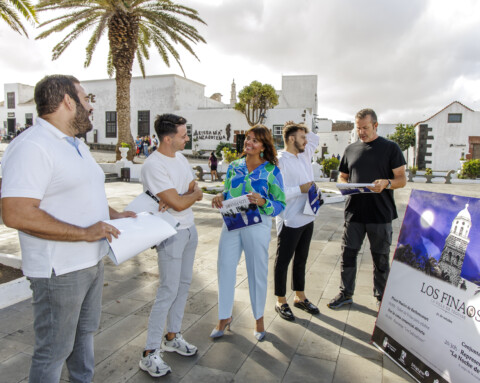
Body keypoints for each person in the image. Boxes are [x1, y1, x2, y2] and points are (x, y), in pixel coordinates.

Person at [1, 74, 135, 383]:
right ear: (67, 101)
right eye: (86, 100)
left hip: (91, 262)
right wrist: (85, 232)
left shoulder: (75, 145)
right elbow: (16, 213)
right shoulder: (32, 146)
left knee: (83, 339)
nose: (90, 107)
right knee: (53, 351)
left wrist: (115, 215)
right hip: (58, 271)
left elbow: (83, 193)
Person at [139, 113, 203, 378]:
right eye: (183, 135)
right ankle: (150, 352)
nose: (187, 138)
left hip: (190, 230)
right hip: (169, 233)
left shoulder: (180, 158)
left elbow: (191, 188)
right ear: (168, 138)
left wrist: (186, 196)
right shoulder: (153, 165)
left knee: (183, 286)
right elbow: (178, 202)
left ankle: (172, 337)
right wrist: (188, 197)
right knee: (167, 290)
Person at [211, 125, 286, 341]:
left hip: (258, 222)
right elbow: (227, 191)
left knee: (256, 271)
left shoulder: (272, 170)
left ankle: (259, 319)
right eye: (248, 139)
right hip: (233, 221)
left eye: (255, 140)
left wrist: (264, 201)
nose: (249, 143)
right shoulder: (234, 166)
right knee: (224, 266)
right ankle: (224, 317)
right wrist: (219, 196)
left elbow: (280, 204)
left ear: (264, 145)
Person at [328, 108, 406, 309]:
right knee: (348, 254)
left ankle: (381, 298)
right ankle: (346, 293)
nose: (361, 132)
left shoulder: (391, 148)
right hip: (354, 212)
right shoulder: (350, 150)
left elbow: (402, 179)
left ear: (375, 125)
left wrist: (387, 183)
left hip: (381, 214)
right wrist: (343, 184)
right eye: (358, 128)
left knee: (380, 257)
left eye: (365, 128)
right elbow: (343, 176)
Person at [274, 121, 320, 321]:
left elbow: (315, 138)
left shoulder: (304, 154)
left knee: (302, 259)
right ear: (291, 139)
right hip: (289, 219)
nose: (306, 140)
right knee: (283, 261)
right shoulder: (279, 160)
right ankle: (281, 300)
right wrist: (299, 189)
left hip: (308, 215)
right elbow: (276, 193)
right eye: (302, 137)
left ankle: (300, 297)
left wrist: (300, 126)